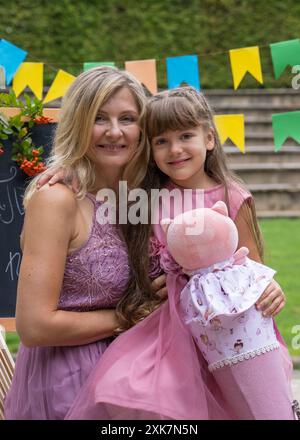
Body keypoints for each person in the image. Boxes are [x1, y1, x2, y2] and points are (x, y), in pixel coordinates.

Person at [63, 86, 292, 420]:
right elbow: (96, 180)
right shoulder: (147, 197)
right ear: (150, 149)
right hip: (170, 330)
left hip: (228, 332)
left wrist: (269, 287)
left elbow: (252, 268)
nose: (175, 150)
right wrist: (65, 171)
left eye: (186, 136)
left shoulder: (232, 196)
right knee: (136, 394)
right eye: (162, 141)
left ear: (210, 138)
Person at [4, 66, 166, 420]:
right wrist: (129, 317)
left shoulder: (144, 195)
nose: (114, 131)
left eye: (127, 118)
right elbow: (33, 327)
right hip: (70, 382)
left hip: (137, 376)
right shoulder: (57, 200)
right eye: (99, 118)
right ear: (78, 123)